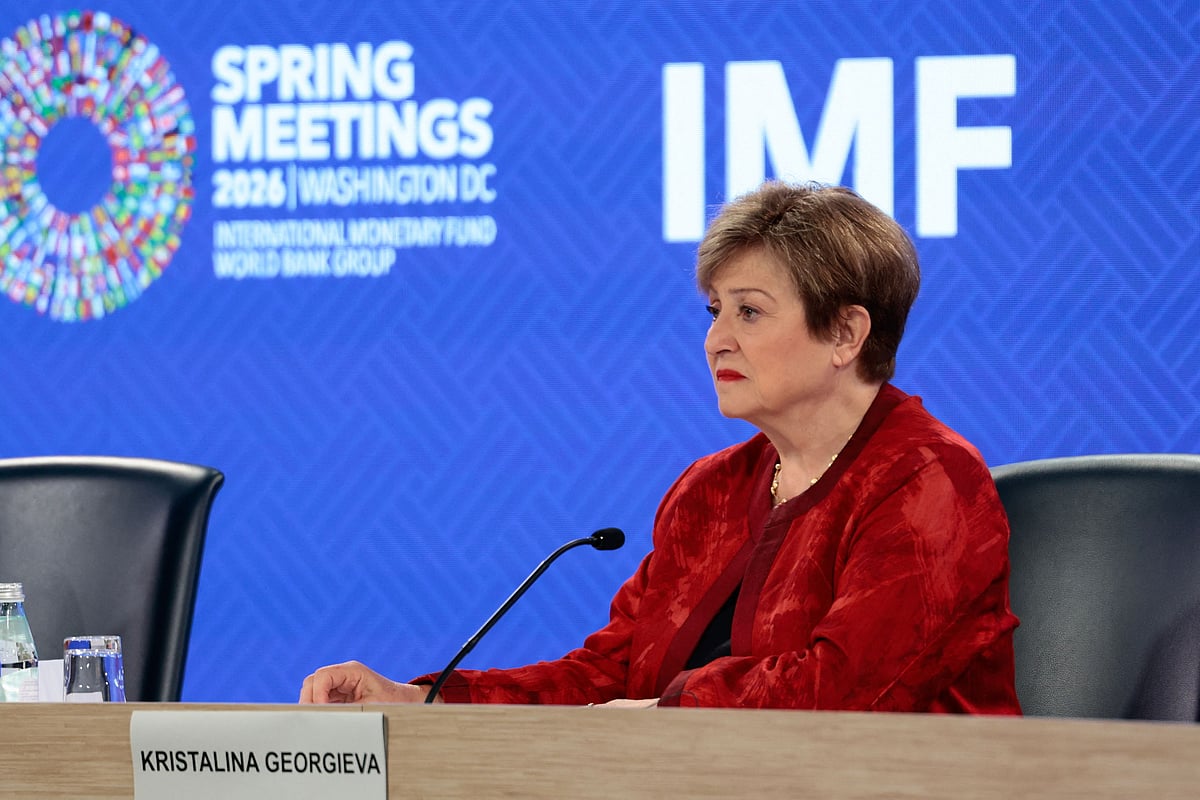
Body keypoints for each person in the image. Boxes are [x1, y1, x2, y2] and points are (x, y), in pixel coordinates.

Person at [300, 181, 1021, 713]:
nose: (717, 339)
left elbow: (845, 693)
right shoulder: (708, 493)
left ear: (845, 333)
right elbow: (607, 677)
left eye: (749, 311)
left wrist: (663, 718)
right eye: (715, 311)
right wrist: (419, 701)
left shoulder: (927, 480)